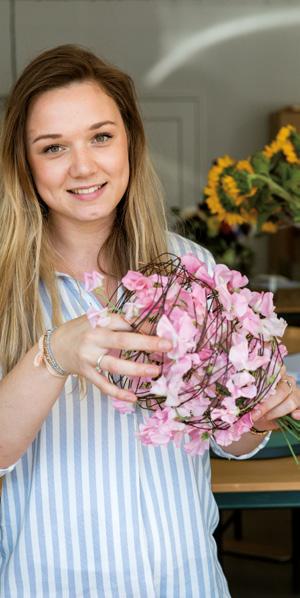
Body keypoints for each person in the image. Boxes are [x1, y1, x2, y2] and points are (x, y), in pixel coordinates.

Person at [0, 44, 299, 598]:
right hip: (49, 583)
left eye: (101, 136)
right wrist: (53, 356)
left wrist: (257, 413)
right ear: (24, 162)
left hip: (185, 579)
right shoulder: (4, 285)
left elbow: (223, 439)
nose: (84, 166)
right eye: (53, 147)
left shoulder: (193, 267)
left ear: (131, 143)